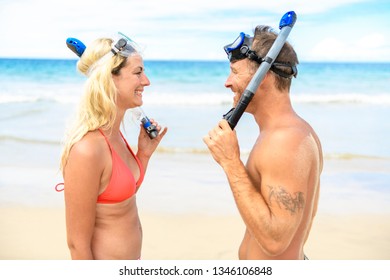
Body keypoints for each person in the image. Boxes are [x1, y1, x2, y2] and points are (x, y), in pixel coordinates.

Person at [203, 25, 322, 260]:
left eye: (235, 72)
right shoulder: (291, 132)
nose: (227, 82)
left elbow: (275, 242)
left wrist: (230, 162)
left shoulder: (285, 141)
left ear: (263, 77)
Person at [59, 33, 167, 260]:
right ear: (109, 79)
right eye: (138, 73)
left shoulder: (115, 136)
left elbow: (119, 201)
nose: (146, 81)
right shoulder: (87, 150)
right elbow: (77, 246)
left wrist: (144, 156)